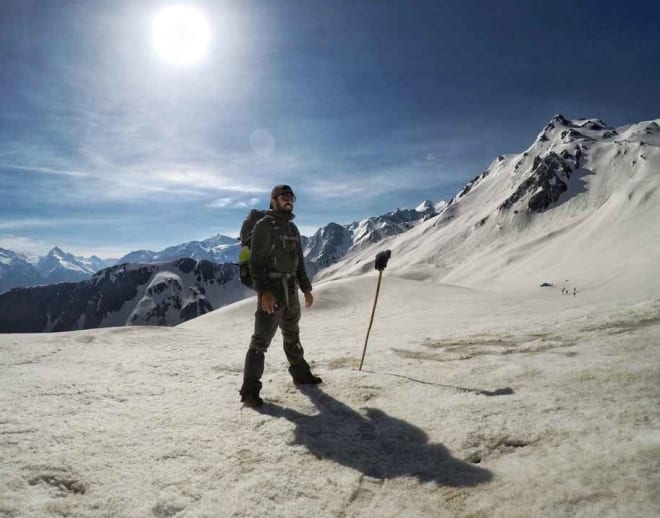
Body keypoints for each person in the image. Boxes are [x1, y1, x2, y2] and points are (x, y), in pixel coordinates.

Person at [239, 185, 322, 408]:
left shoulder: (293, 229)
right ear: (273, 200)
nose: (289, 201)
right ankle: (249, 391)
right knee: (260, 342)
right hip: (272, 291)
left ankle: (301, 375)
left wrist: (306, 288)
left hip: (291, 290)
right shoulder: (263, 226)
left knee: (292, 334)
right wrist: (263, 292)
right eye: (284, 197)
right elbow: (255, 264)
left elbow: (299, 262)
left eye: (291, 197)